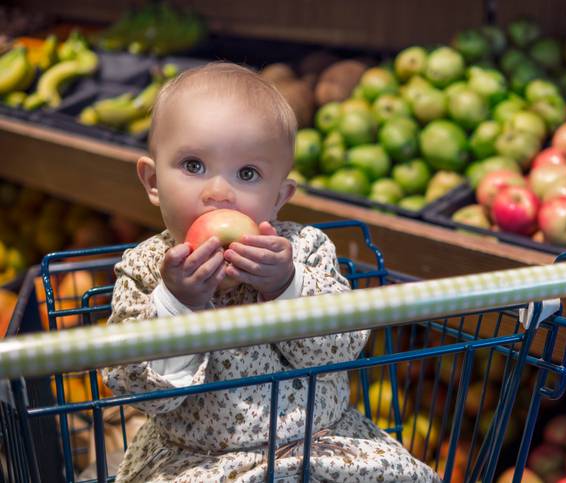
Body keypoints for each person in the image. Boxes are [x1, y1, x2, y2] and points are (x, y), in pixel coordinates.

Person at [102, 62, 439, 482]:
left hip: (322, 447)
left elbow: (343, 344)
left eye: (247, 174)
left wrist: (287, 284)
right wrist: (177, 303)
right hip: (201, 462)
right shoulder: (146, 271)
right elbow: (137, 388)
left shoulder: (304, 250)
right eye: (193, 165)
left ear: (279, 197)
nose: (219, 192)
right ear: (153, 181)